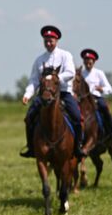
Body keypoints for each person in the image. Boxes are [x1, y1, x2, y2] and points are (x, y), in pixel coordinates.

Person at [20, 25, 85, 158]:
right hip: (43, 95)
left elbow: (71, 72)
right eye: (46, 41)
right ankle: (31, 147)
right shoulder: (39, 60)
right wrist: (27, 94)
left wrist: (55, 80)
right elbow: (34, 80)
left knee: (77, 117)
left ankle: (78, 147)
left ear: (56, 41)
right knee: (29, 118)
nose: (48, 43)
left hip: (63, 93)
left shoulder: (65, 55)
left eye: (51, 41)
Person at [80, 48, 112, 141]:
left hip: (96, 98)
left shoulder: (99, 73)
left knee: (104, 107)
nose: (88, 62)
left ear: (94, 61)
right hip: (83, 99)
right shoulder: (81, 74)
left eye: (90, 60)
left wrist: (101, 89)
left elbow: (109, 89)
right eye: (86, 60)